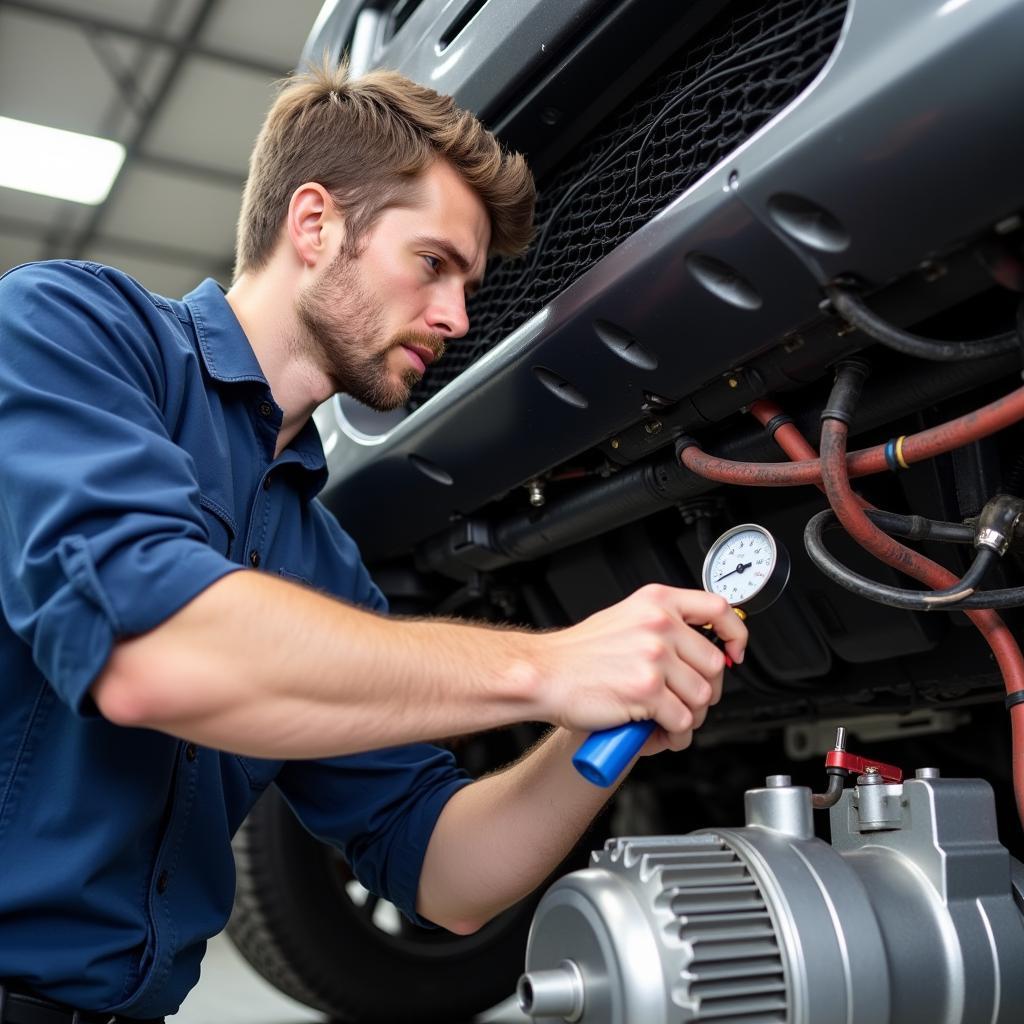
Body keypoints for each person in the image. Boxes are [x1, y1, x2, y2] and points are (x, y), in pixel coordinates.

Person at [0, 62, 746, 1022]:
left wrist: (605, 715)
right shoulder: (73, 328)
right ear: (314, 225)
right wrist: (549, 665)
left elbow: (447, 872)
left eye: (468, 285)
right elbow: (155, 656)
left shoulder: (317, 557)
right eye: (433, 263)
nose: (456, 319)